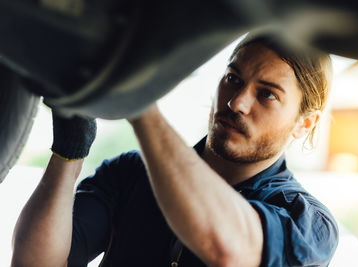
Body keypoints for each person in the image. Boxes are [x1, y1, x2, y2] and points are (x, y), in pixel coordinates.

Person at [11, 34, 338, 267]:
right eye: (233, 79)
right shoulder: (130, 173)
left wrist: (139, 105)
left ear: (304, 124)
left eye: (267, 95)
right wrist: (71, 148)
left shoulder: (308, 222)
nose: (236, 102)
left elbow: (228, 251)